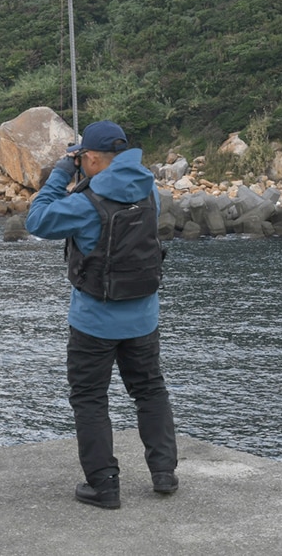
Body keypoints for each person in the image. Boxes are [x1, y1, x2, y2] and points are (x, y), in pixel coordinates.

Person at [26, 120, 178, 510]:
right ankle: (164, 473)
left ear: (90, 158)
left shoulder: (84, 203)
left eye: (82, 159)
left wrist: (61, 174)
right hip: (143, 318)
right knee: (150, 390)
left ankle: (104, 485)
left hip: (94, 321)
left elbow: (37, 220)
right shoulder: (150, 193)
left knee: (91, 399)